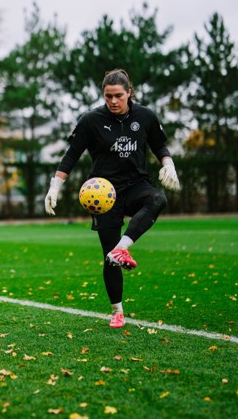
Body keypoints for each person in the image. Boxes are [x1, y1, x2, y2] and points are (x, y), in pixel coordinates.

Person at [44, 68, 180, 329]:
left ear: (129, 92)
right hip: (103, 193)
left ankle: (123, 246)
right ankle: (117, 310)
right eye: (108, 96)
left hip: (136, 185)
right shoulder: (91, 120)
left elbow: (159, 145)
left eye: (118, 95)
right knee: (109, 257)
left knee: (157, 199)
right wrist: (55, 185)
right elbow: (71, 154)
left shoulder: (146, 116)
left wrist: (168, 163)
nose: (113, 101)